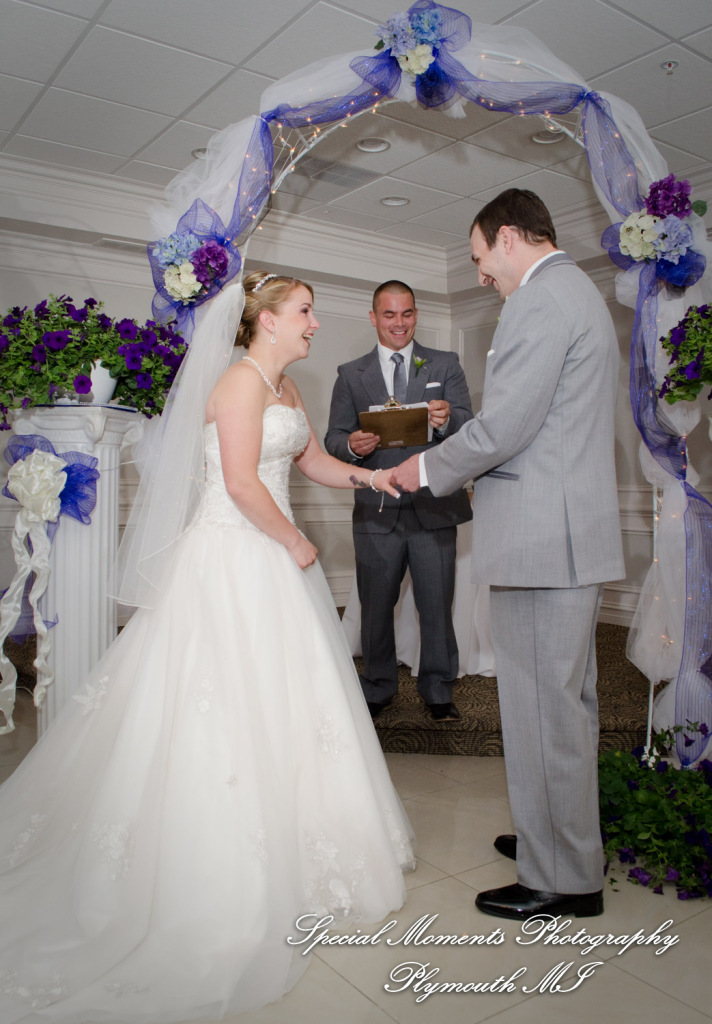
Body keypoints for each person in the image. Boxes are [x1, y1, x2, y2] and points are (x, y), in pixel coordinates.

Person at [0, 271, 414, 1023]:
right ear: (266, 320)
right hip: (234, 556)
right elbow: (240, 483)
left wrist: (371, 476)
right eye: (305, 312)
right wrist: (294, 541)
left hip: (270, 559)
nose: (315, 324)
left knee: (290, 705)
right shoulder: (238, 386)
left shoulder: (284, 390)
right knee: (220, 705)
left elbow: (308, 463)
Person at [393, 189, 625, 920]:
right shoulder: (579, 292)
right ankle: (561, 841)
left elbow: (506, 428)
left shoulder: (537, 299)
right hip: (568, 534)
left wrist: (423, 468)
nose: (481, 274)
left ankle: (560, 877)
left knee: (537, 710)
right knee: (565, 707)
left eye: (480, 257)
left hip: (539, 540)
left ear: (513, 238)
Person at [325, 281, 473, 721]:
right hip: (377, 510)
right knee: (375, 608)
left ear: (415, 315)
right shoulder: (350, 374)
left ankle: (439, 689)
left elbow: (469, 425)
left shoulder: (445, 364)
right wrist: (352, 444)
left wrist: (448, 421)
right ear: (373, 318)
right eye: (389, 315)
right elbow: (333, 439)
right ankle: (377, 686)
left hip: (435, 508)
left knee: (436, 605)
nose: (399, 323)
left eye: (406, 314)